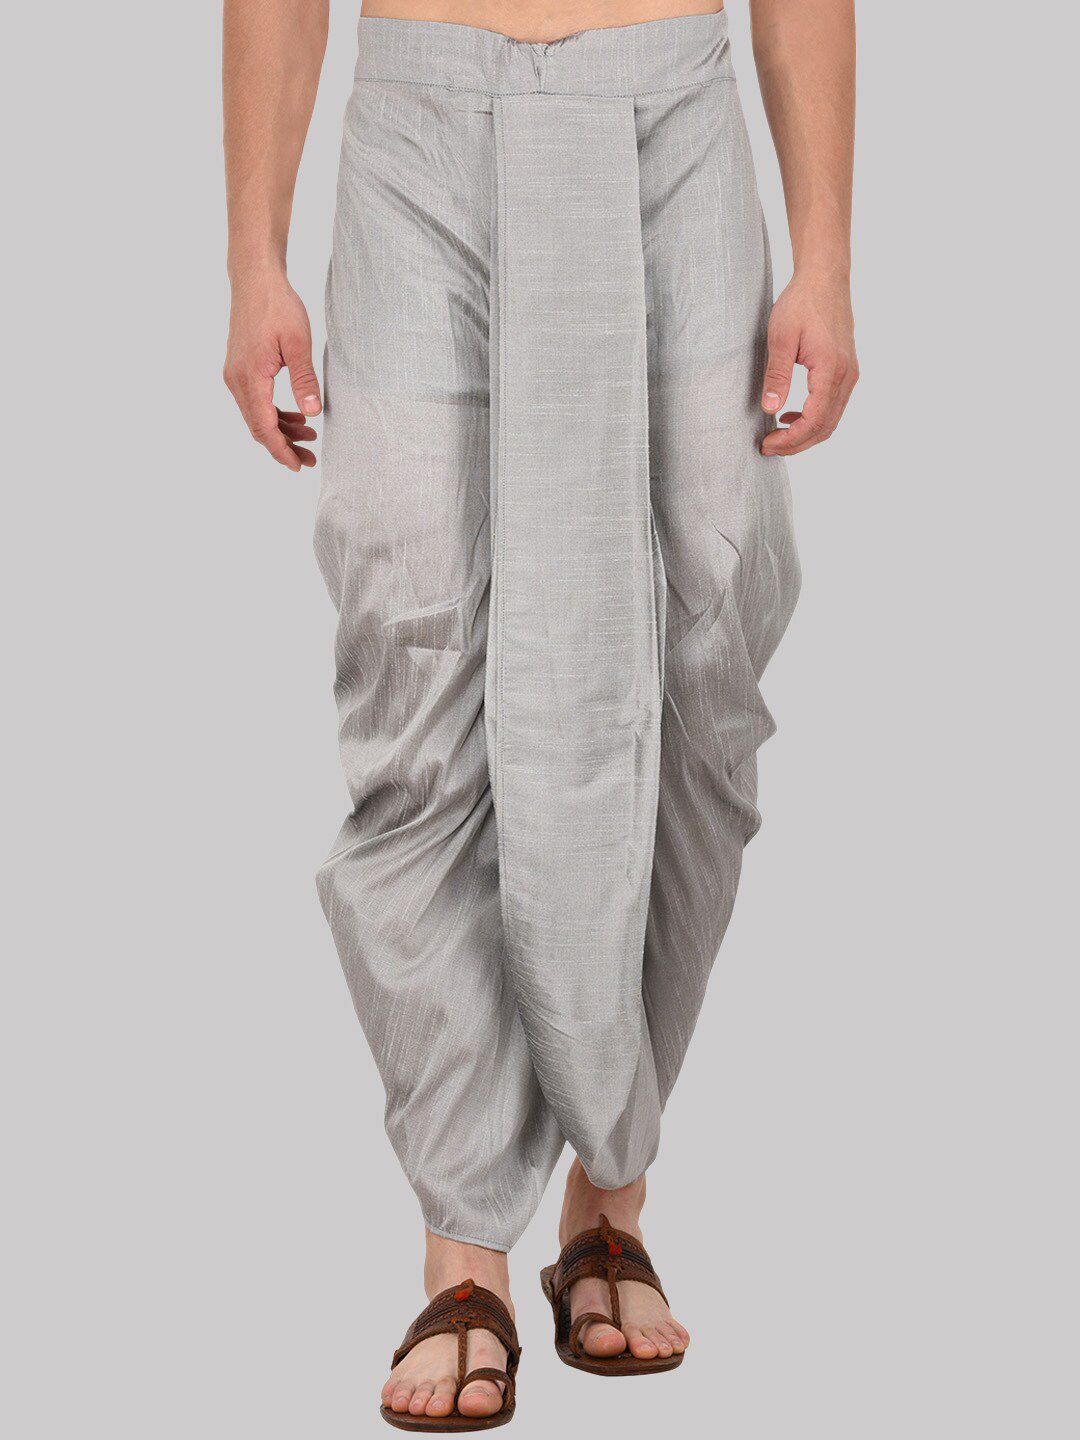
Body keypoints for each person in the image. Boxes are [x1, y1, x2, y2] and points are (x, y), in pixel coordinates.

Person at [223, 0, 857, 1428]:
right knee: (413, 669)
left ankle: (609, 1195)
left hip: (676, 118)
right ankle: (464, 1248)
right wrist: (255, 258)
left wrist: (825, 258)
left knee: (704, 673)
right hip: (416, 128)